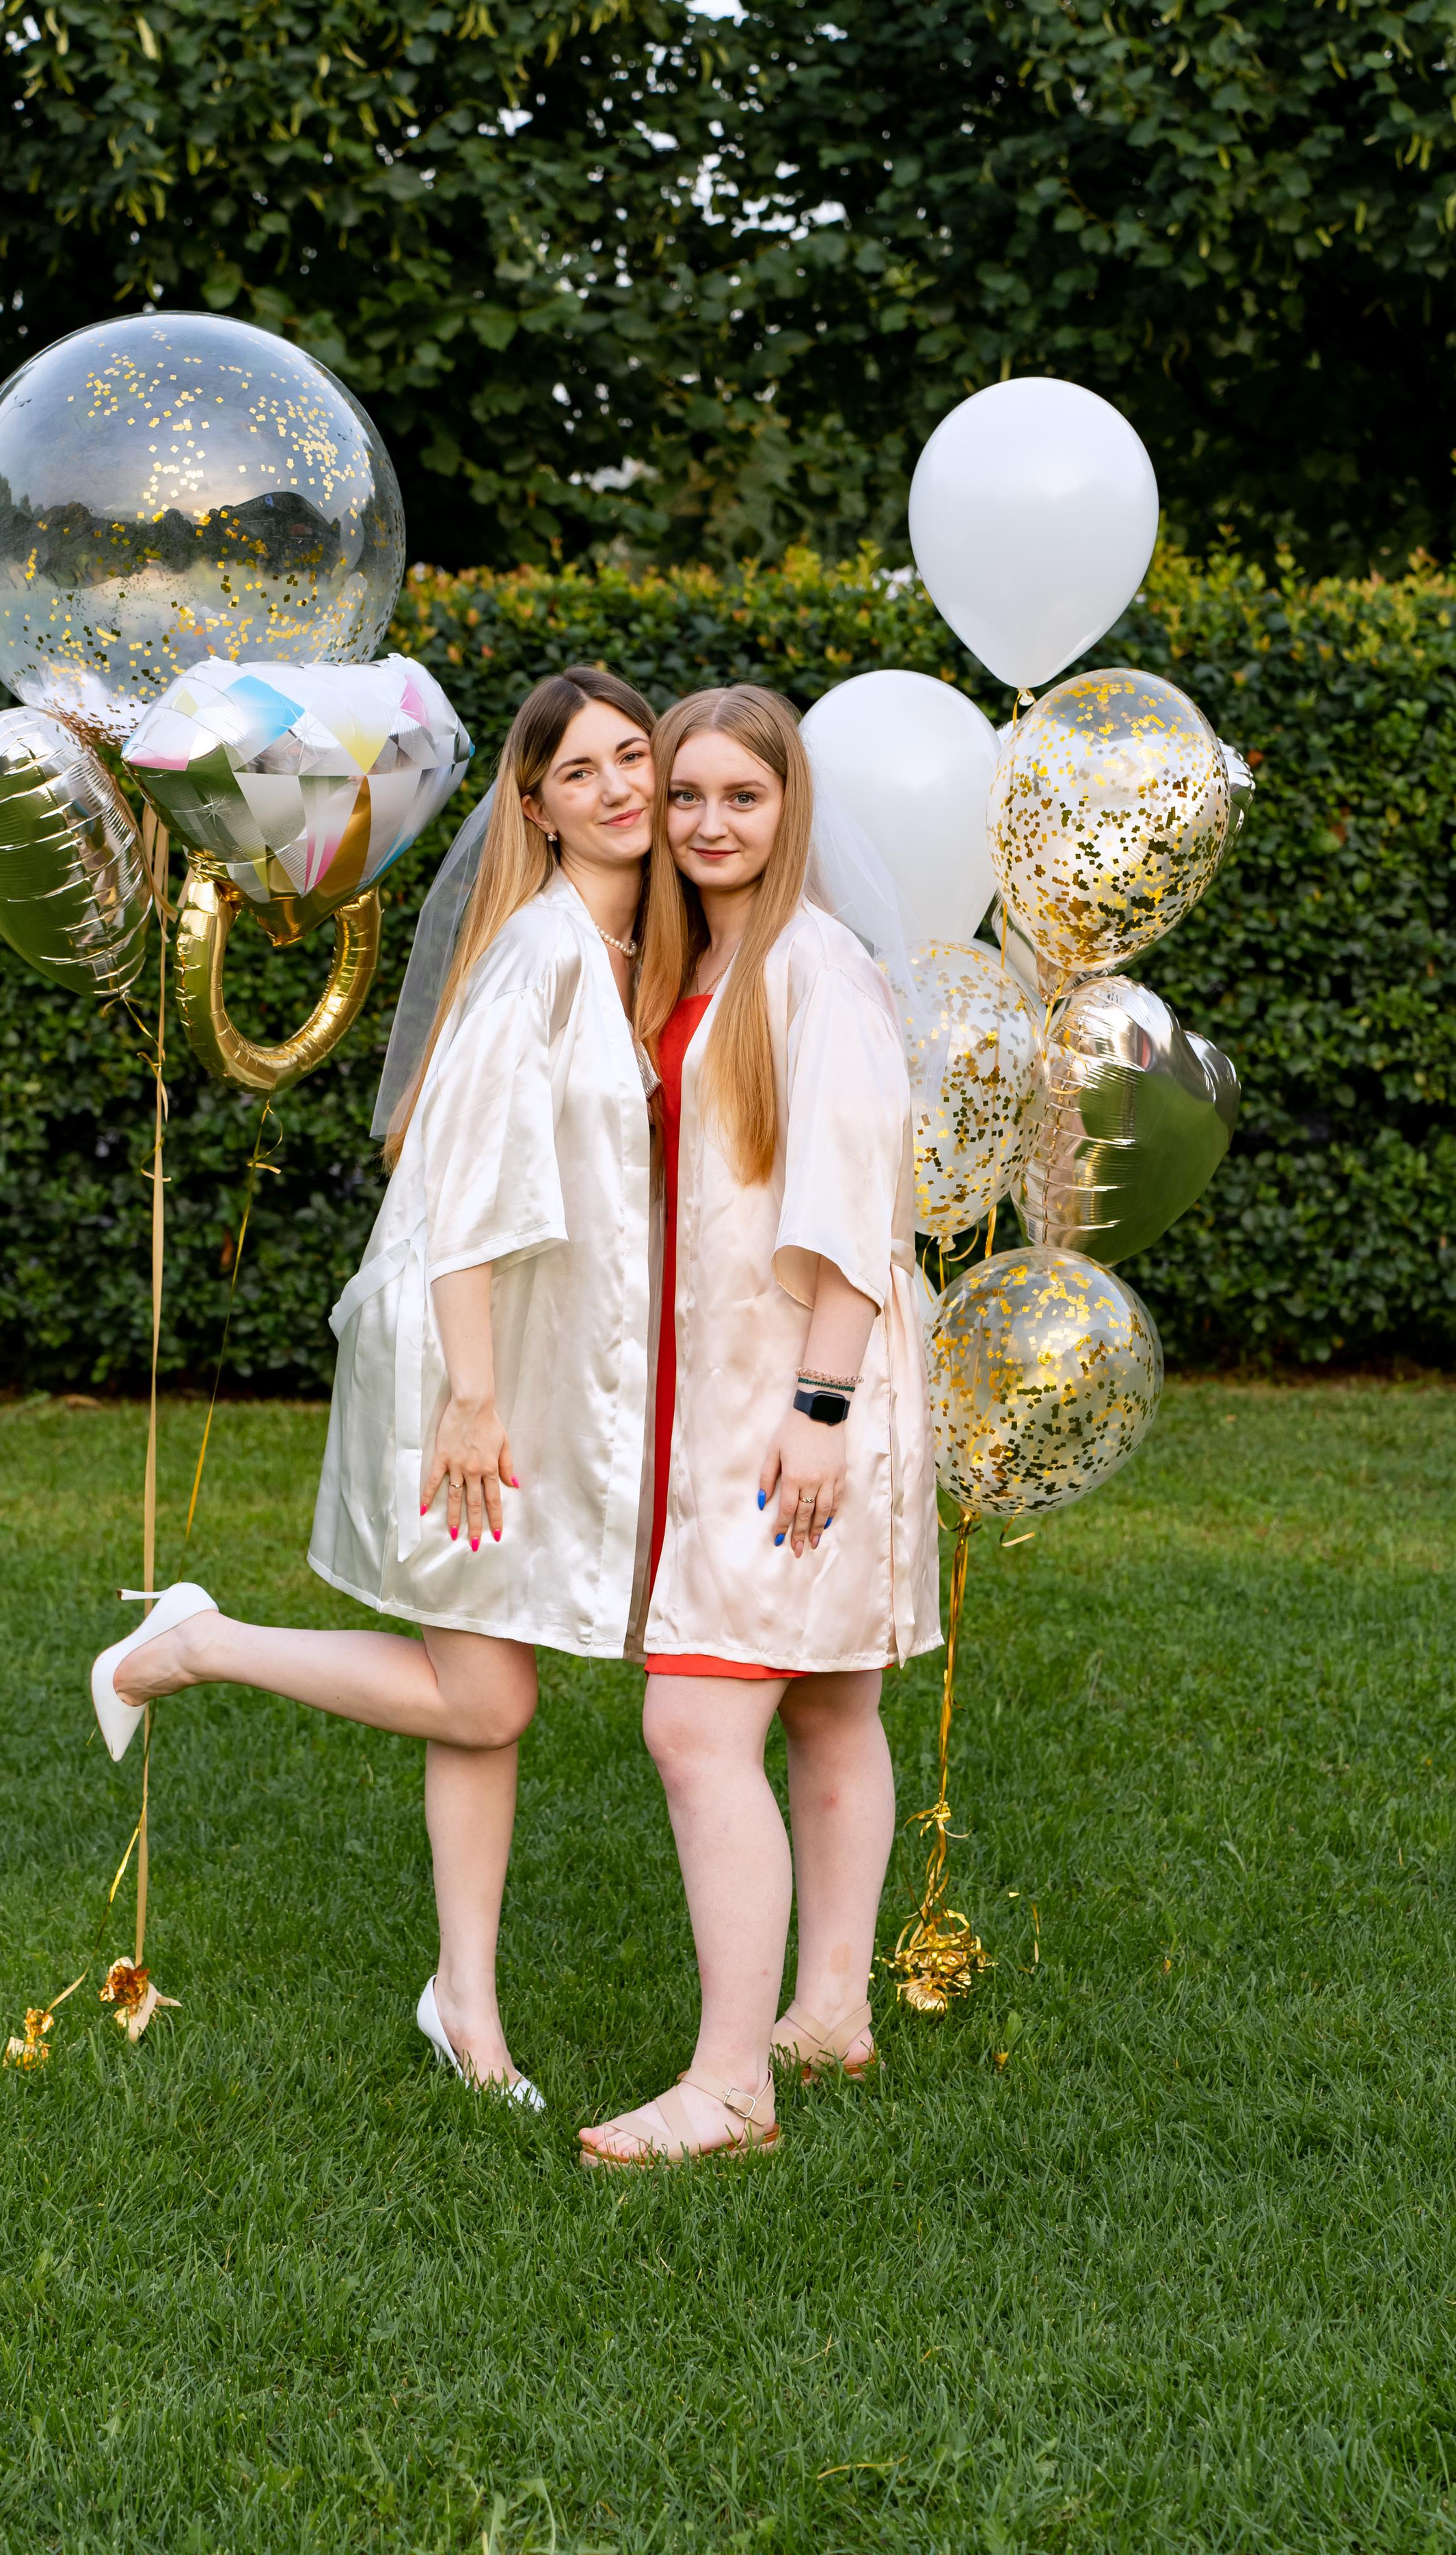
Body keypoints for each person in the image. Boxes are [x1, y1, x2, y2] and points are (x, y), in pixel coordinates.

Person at [92, 667, 660, 2105]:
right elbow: (453, 1182)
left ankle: (462, 2004)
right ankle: (191, 1644)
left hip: (518, 1350)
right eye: (579, 769)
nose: (617, 786)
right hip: (464, 1356)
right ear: (530, 803)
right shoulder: (537, 952)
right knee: (485, 1698)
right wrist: (472, 1399)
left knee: (489, 1678)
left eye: (633, 755)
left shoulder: (616, 948)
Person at [577, 683, 940, 2167]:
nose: (708, 823)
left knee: (693, 1718)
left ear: (789, 810)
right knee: (826, 1703)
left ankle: (729, 2087)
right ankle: (831, 2008)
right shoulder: (706, 965)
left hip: (802, 1390)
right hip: (745, 1384)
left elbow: (855, 1211)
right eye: (685, 798)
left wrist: (816, 1408)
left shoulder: (812, 969)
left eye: (741, 796)